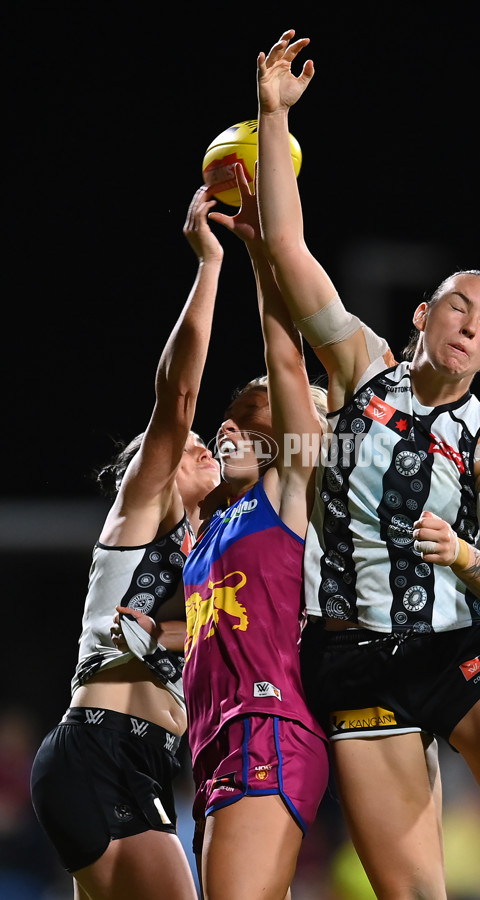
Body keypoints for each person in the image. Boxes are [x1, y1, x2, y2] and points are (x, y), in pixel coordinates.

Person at [255, 28, 480, 900]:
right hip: (356, 658)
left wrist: (465, 557)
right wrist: (270, 115)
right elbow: (291, 257)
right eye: (460, 307)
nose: (473, 327)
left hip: (459, 649)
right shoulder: (361, 367)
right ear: (422, 314)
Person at [30, 186, 224, 900]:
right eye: (189, 445)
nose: (200, 446)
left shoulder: (210, 546)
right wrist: (210, 264)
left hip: (137, 762)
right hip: (100, 747)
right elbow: (176, 396)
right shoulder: (140, 513)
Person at [181, 164, 330, 900]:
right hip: (211, 742)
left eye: (251, 414)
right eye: (228, 416)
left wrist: (259, 252)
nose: (231, 424)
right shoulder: (206, 530)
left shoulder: (289, 485)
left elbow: (287, 359)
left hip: (266, 723)